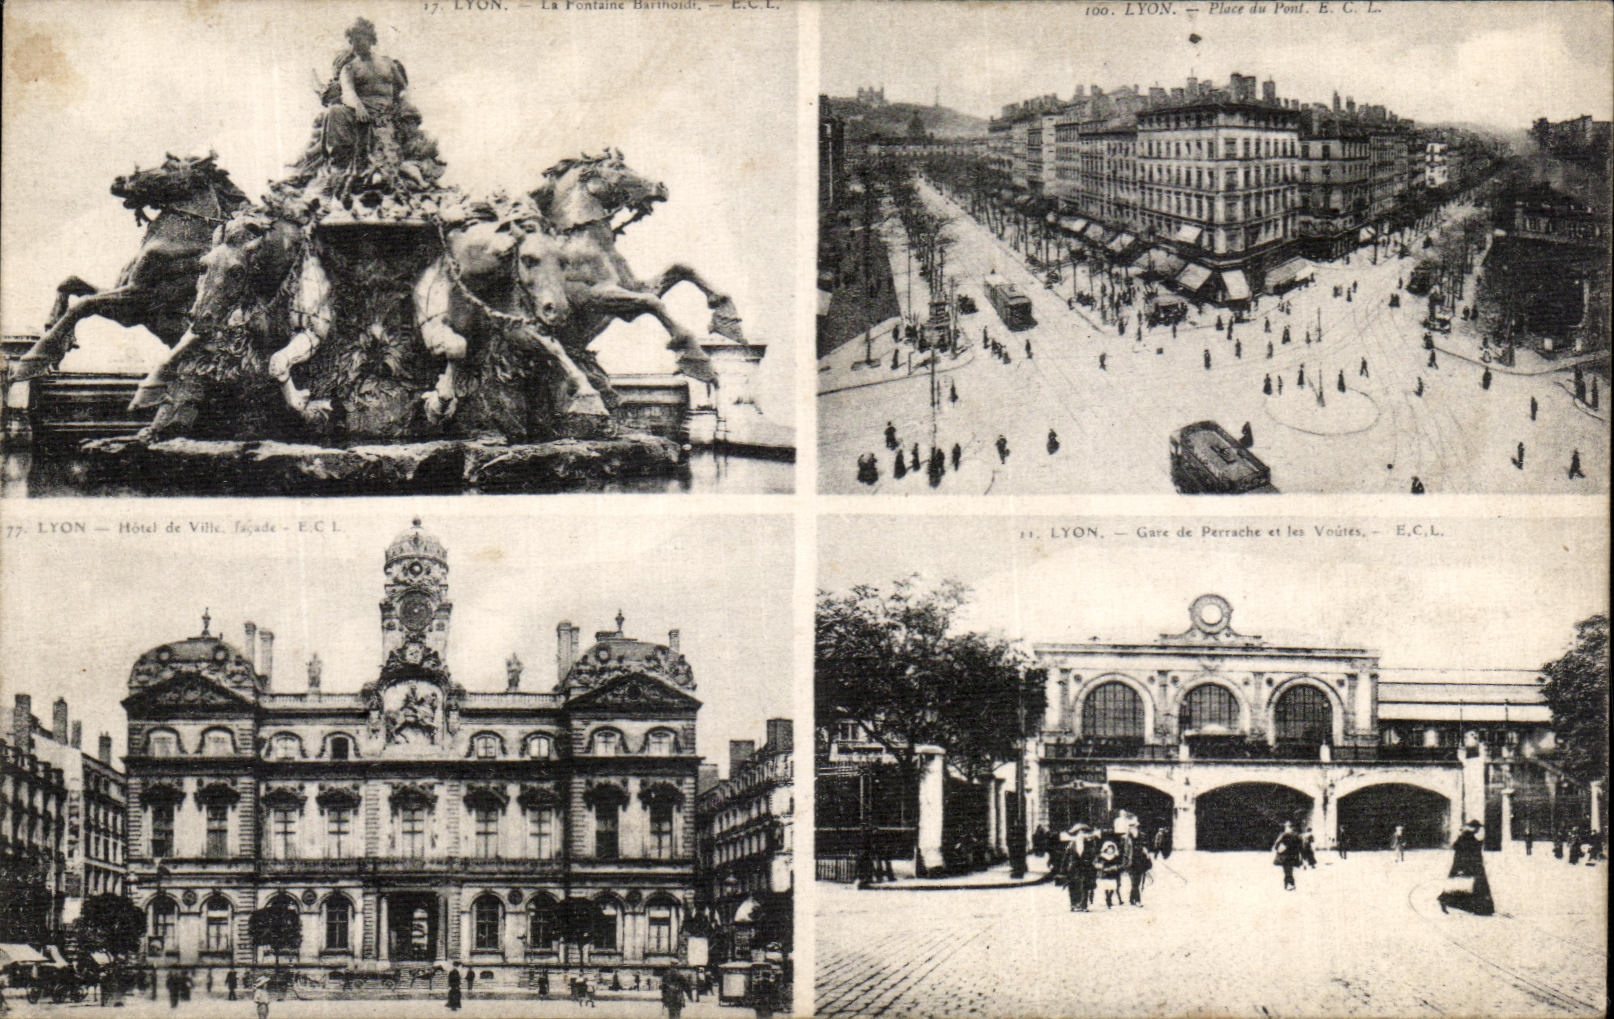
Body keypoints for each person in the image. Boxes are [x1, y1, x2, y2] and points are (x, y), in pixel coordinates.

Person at [1438, 820, 1494, 915]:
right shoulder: (1468, 838)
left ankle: (1448, 900)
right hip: (1470, 866)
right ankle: (1480, 908)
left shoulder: (1466, 837)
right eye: (1477, 828)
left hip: (1470, 865)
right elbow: (1465, 852)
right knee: (1470, 886)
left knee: (1463, 886)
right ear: (1474, 828)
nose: (1478, 830)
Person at [1125, 818, 1151, 906]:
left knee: (1137, 881)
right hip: (1130, 862)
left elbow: (1146, 846)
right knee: (1134, 882)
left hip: (1140, 861)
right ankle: (1138, 901)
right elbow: (1125, 851)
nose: (1131, 828)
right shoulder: (1127, 838)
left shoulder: (1142, 836)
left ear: (1136, 827)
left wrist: (1146, 851)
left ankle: (1131, 899)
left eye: (1133, 826)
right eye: (1130, 826)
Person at [1273, 821, 1303, 890]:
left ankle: (1289, 884)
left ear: (1288, 827)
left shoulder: (1284, 835)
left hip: (1285, 855)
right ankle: (1289, 884)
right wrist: (1301, 857)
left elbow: (1277, 844)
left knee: (1287, 870)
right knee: (1290, 870)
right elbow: (1301, 847)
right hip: (1294, 855)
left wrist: (1278, 849)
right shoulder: (1297, 836)